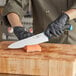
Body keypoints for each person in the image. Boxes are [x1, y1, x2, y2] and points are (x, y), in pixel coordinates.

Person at [2, 0, 76, 44]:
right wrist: (17, 27)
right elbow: (14, 4)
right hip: (42, 40)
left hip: (73, 40)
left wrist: (66, 16)